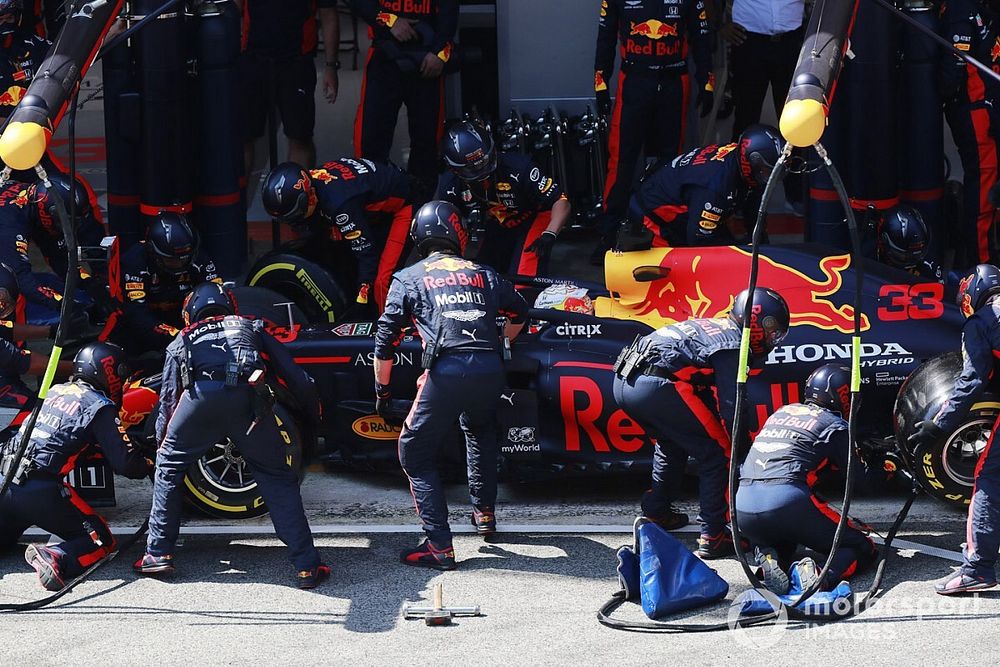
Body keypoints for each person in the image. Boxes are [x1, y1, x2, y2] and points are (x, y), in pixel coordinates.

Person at [134, 282, 327, 588]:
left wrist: (161, 445)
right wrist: (313, 413)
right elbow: (297, 377)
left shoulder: (181, 339)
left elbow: (168, 400)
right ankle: (306, 566)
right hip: (248, 402)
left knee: (168, 467)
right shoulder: (251, 326)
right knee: (276, 476)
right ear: (230, 307)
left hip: (200, 400)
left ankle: (158, 553)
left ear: (189, 313)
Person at [374, 200, 528, 570]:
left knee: (414, 451)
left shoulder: (409, 277)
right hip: (491, 369)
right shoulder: (483, 273)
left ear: (418, 236)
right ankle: (485, 515)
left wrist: (382, 392)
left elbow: (385, 339)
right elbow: (521, 310)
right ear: (457, 233)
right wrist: (502, 341)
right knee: (479, 431)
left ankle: (439, 545)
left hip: (446, 372)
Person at [612, 287, 790, 558]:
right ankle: (713, 534)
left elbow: (702, 387)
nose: (773, 338)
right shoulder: (733, 345)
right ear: (756, 323)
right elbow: (734, 407)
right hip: (657, 384)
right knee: (717, 454)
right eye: (773, 331)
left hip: (626, 381)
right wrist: (742, 449)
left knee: (672, 445)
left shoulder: (715, 326)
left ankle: (656, 512)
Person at [0, 342, 152, 592]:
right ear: (108, 371)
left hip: (5, 479)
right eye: (121, 374)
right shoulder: (99, 405)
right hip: (40, 491)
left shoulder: (54, 390)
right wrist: (151, 461)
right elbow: (127, 465)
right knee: (101, 541)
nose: (123, 381)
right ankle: (57, 556)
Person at [736, 364, 880, 594]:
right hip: (786, 501)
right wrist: (886, 467)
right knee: (862, 547)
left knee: (786, 538)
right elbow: (862, 481)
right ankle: (819, 576)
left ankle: (769, 557)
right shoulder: (834, 426)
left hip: (743, 506)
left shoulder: (782, 411)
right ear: (842, 396)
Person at [593, 0, 713, 259]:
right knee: (621, 160)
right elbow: (606, 34)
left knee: (672, 162)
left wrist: (707, 80)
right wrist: (600, 80)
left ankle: (666, 232)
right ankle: (609, 232)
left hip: (674, 82)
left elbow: (702, 33)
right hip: (634, 81)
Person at [909, 264, 1000, 594]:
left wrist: (937, 424)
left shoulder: (981, 321)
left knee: (990, 478)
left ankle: (978, 569)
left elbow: (972, 381)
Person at [260, 158, 420, 311]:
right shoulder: (311, 184)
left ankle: (388, 330)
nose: (292, 222)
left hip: (405, 205)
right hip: (370, 204)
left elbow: (367, 254)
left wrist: (362, 297)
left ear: (308, 199)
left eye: (293, 215)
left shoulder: (339, 205)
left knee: (382, 281)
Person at [436, 121, 571, 277]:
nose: (482, 172)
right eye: (472, 168)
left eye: (485, 162)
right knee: (481, 277)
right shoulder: (450, 185)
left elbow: (560, 200)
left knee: (523, 279)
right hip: (495, 224)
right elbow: (447, 225)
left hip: (532, 218)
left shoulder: (520, 167)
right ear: (454, 168)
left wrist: (550, 233)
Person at [351, 0, 459, 196]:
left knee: (427, 143)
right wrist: (391, 20)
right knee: (371, 140)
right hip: (385, 56)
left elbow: (449, 11)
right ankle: (373, 210)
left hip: (427, 61)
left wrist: (440, 53)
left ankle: (419, 212)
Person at [622, 124, 782, 248]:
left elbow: (754, 210)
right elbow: (699, 241)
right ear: (751, 162)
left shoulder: (739, 160)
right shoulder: (715, 186)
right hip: (653, 224)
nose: (771, 177)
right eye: (768, 170)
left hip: (688, 208)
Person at [100, 212, 221, 358]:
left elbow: (217, 296)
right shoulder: (133, 264)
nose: (180, 265)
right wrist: (180, 336)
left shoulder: (199, 259)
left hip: (185, 322)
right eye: (172, 260)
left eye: (184, 259)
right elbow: (138, 316)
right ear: (153, 252)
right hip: (141, 327)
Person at [237, 0, 340, 170]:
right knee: (243, 138)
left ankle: (298, 193)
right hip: (252, 59)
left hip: (297, 62)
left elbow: (328, 15)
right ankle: (239, 196)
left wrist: (331, 67)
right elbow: (232, 8)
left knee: (300, 136)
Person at [939, 0, 1000, 267]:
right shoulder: (961, 10)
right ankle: (980, 264)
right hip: (976, 110)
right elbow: (951, 75)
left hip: (989, 104)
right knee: (984, 190)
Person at [0, 173, 106, 325]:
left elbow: (59, 259)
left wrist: (91, 285)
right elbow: (22, 280)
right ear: (49, 212)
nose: (68, 228)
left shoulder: (34, 203)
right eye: (65, 222)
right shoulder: (10, 225)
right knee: (9, 293)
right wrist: (67, 307)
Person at [0, 0, 49, 124]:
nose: (5, 25)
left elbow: (65, 51)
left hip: (27, 125)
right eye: (0, 20)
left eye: (10, 18)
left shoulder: (31, 44)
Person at [876, 206, 943, 281]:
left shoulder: (929, 266)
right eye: (904, 256)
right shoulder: (867, 257)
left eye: (918, 255)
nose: (913, 262)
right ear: (883, 242)